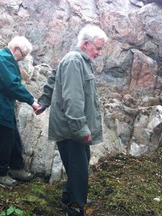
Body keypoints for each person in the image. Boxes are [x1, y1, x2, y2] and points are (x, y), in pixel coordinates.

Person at [35, 24, 108, 216]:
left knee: (80, 164)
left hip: (73, 127)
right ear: (86, 44)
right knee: (79, 169)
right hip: (71, 129)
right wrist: (81, 129)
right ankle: (76, 208)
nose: (99, 53)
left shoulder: (76, 60)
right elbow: (73, 99)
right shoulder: (75, 61)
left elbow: (53, 78)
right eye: (98, 48)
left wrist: (43, 102)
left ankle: (69, 196)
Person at [0, 36, 40, 187]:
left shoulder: (6, 58)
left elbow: (10, 85)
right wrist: (32, 101)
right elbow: (12, 84)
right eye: (22, 55)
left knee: (13, 136)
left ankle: (16, 167)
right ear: (15, 49)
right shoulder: (4, 58)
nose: (22, 59)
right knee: (4, 139)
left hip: (1, 102)